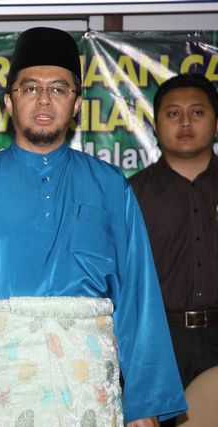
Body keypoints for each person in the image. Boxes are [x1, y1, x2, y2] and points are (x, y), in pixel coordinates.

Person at [0, 27, 187, 427]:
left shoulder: (109, 185)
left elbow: (139, 297)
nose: (44, 99)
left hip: (89, 392)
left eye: (59, 89)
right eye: (30, 88)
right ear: (10, 101)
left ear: (76, 103)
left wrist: (145, 404)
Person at [130, 74, 218, 398]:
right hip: (157, 342)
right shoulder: (131, 194)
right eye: (173, 113)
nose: (185, 122)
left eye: (197, 112)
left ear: (216, 124)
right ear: (156, 126)